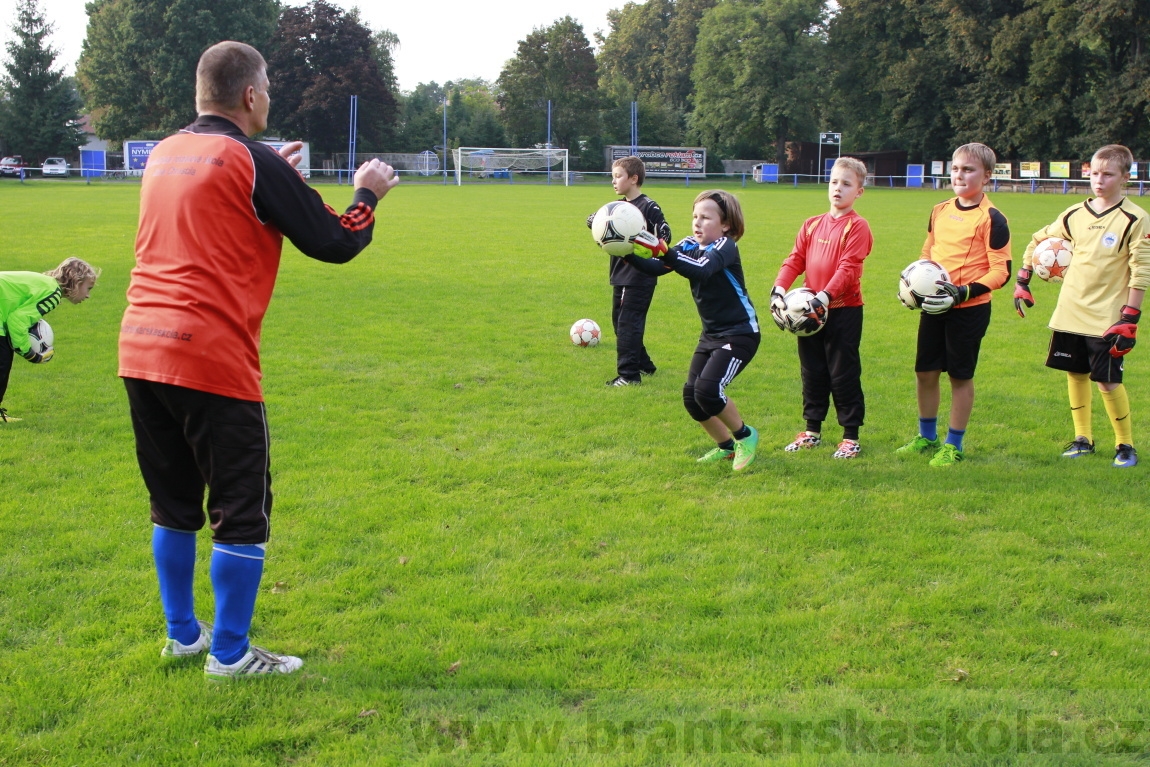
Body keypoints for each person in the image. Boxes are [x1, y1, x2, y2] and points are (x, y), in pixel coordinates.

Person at [119, 41, 399, 679]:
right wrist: (369, 192)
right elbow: (336, 238)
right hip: (208, 355)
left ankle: (184, 636)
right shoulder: (248, 159)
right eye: (267, 86)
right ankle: (231, 654)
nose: (269, 95)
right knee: (241, 510)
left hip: (140, 343)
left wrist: (272, 168)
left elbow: (221, 198)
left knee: (173, 503)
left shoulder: (166, 152)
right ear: (250, 95)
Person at [1013, 144, 1149, 468]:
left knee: (1107, 380)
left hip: (1107, 317)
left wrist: (1130, 316)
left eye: (1108, 174)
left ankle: (1125, 445)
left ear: (1125, 177)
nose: (1099, 180)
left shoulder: (1135, 218)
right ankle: (1082, 439)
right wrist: (1023, 279)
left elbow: (1142, 269)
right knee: (1075, 374)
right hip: (1070, 311)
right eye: (1095, 173)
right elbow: (1037, 239)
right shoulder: (1074, 214)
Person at [622, 190, 762, 470]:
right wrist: (623, 249)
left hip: (740, 333)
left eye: (706, 217)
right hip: (711, 335)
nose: (697, 223)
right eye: (695, 216)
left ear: (726, 224)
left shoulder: (725, 246)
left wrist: (665, 251)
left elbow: (701, 270)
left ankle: (745, 436)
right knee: (693, 398)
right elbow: (657, 267)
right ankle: (727, 448)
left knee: (709, 390)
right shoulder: (688, 244)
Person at [896, 143, 1011, 467]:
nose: (960, 175)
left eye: (969, 169)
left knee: (959, 376)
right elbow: (927, 253)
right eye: (957, 168)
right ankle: (927, 437)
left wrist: (963, 293)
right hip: (934, 307)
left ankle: (953, 444)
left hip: (970, 308)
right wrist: (912, 287)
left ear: (987, 176)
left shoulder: (992, 218)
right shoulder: (939, 209)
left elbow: (1001, 271)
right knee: (925, 372)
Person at [771, 157, 873, 459]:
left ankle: (850, 437)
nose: (838, 189)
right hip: (807, 312)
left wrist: (824, 297)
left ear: (859, 192)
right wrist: (779, 288)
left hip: (842, 310)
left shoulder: (857, 226)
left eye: (846, 184)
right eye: (834, 182)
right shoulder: (812, 224)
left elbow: (849, 268)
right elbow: (795, 260)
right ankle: (812, 431)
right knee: (812, 371)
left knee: (843, 373)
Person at [586, 156, 671, 386]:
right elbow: (604, 231)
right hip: (619, 273)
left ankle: (628, 376)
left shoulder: (649, 206)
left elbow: (665, 237)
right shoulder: (616, 209)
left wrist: (644, 244)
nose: (613, 181)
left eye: (618, 176)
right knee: (621, 322)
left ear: (634, 179)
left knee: (627, 324)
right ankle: (643, 365)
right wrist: (596, 223)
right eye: (612, 177)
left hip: (640, 275)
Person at [0, 257, 99, 422]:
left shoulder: (47, 284)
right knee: (2, 363)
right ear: (76, 282)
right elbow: (17, 321)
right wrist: (29, 353)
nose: (88, 295)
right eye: (88, 288)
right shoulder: (53, 294)